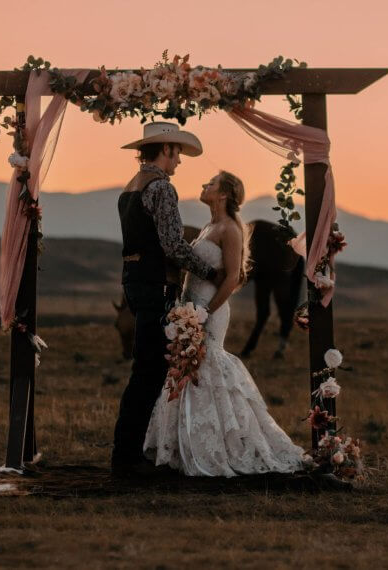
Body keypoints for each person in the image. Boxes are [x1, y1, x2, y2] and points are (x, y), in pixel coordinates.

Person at [143, 171, 304, 477]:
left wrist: (205, 312)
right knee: (188, 370)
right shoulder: (209, 226)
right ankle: (185, 444)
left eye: (211, 183)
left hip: (210, 310)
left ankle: (222, 445)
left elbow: (231, 277)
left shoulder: (230, 228)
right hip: (191, 306)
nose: (204, 184)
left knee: (208, 367)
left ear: (224, 195)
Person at [111, 122, 223, 476]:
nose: (180, 162)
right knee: (148, 371)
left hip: (134, 279)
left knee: (144, 368)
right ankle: (126, 457)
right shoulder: (161, 187)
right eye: (177, 154)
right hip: (155, 283)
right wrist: (209, 272)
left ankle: (127, 453)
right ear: (167, 150)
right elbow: (173, 244)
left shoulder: (130, 187)